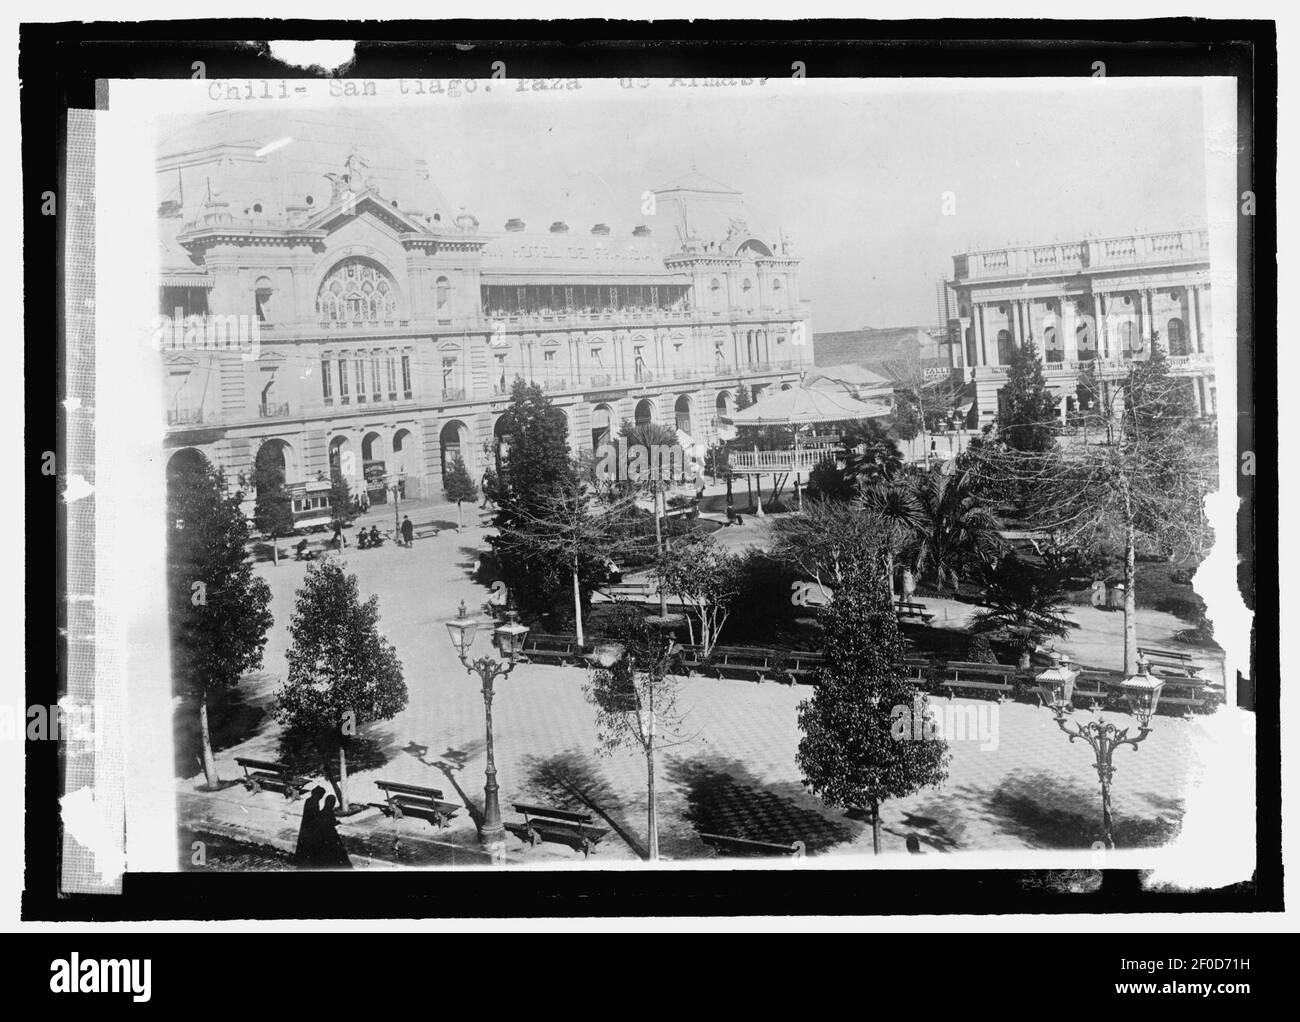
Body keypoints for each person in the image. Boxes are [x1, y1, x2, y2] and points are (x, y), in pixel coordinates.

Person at [317, 795, 353, 869]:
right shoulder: (329, 812)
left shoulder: (321, 812)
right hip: (331, 835)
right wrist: (339, 822)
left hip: (322, 836)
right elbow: (333, 823)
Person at [294, 786, 326, 867]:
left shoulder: (309, 800)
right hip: (311, 827)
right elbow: (315, 815)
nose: (321, 797)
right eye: (321, 795)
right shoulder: (315, 802)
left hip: (306, 825)